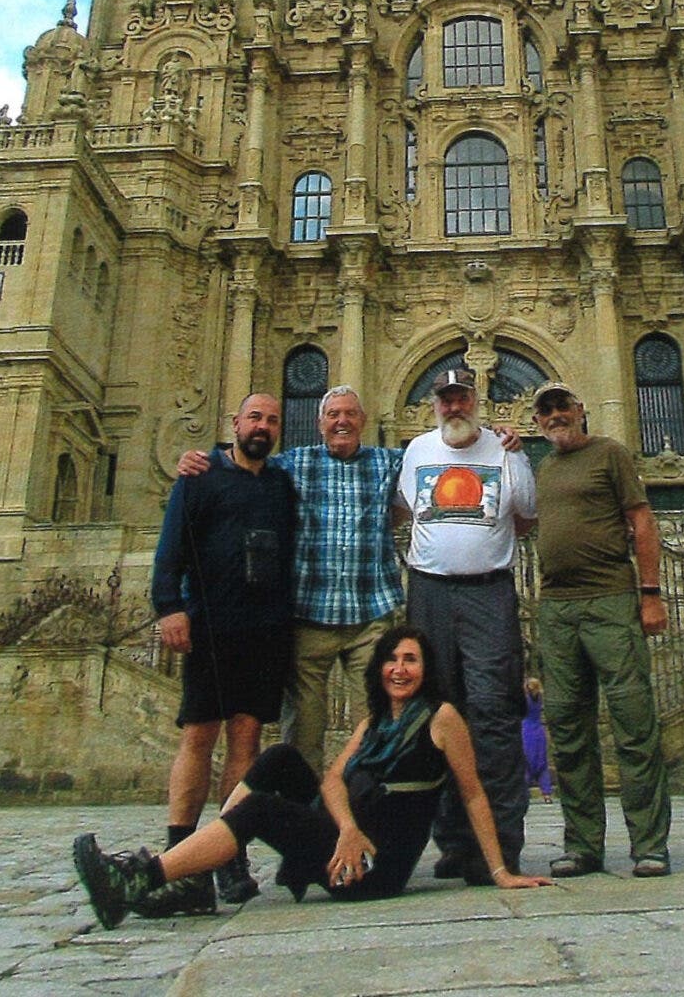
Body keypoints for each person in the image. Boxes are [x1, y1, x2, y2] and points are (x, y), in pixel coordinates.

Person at [72, 626, 551, 928]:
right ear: (379, 668)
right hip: (352, 834)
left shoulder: (441, 718)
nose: (399, 670)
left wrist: (500, 872)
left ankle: (141, 878)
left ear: (426, 670)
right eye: (392, 659)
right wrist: (346, 826)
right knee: (280, 757)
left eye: (411, 660)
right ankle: (206, 865)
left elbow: (471, 795)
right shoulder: (374, 722)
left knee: (259, 809)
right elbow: (330, 781)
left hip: (374, 866)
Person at [178, 385, 404, 771]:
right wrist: (204, 460)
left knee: (377, 723)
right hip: (308, 617)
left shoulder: (389, 462)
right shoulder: (293, 464)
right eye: (333, 415)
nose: (342, 421)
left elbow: (442, 456)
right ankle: (304, 817)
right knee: (301, 732)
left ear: (365, 421)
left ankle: (370, 813)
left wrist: (502, 443)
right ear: (319, 424)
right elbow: (245, 460)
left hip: (371, 617)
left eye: (350, 414)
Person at [146, 393, 298, 909]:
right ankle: (182, 859)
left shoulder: (282, 483)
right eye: (255, 417)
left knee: (247, 741)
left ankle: (230, 856)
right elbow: (171, 548)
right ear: (234, 424)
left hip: (265, 628)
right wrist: (169, 606)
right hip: (211, 626)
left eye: (273, 420)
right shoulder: (199, 476)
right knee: (198, 736)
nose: (263, 426)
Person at [396, 364, 538, 883]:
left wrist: (519, 453)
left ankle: (500, 845)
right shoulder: (415, 452)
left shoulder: (506, 451)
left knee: (494, 716)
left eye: (461, 398)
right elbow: (400, 511)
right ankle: (453, 842)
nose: (453, 406)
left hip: (488, 594)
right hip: (429, 592)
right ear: (434, 403)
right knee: (436, 716)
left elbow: (526, 515)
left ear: (476, 400)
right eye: (445, 398)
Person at [526, 379, 673, 878]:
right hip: (558, 609)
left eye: (562, 407)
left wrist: (649, 594)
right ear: (538, 422)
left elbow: (642, 520)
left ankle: (649, 845)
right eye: (545, 411)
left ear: (580, 408)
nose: (555, 416)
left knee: (634, 725)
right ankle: (583, 843)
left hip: (611, 601)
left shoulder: (611, 454)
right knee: (566, 730)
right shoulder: (542, 468)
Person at [522, 678, 554, 803]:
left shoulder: (525, 700)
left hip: (526, 731)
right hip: (539, 731)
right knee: (542, 764)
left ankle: (524, 792)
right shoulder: (539, 698)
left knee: (526, 763)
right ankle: (546, 794)